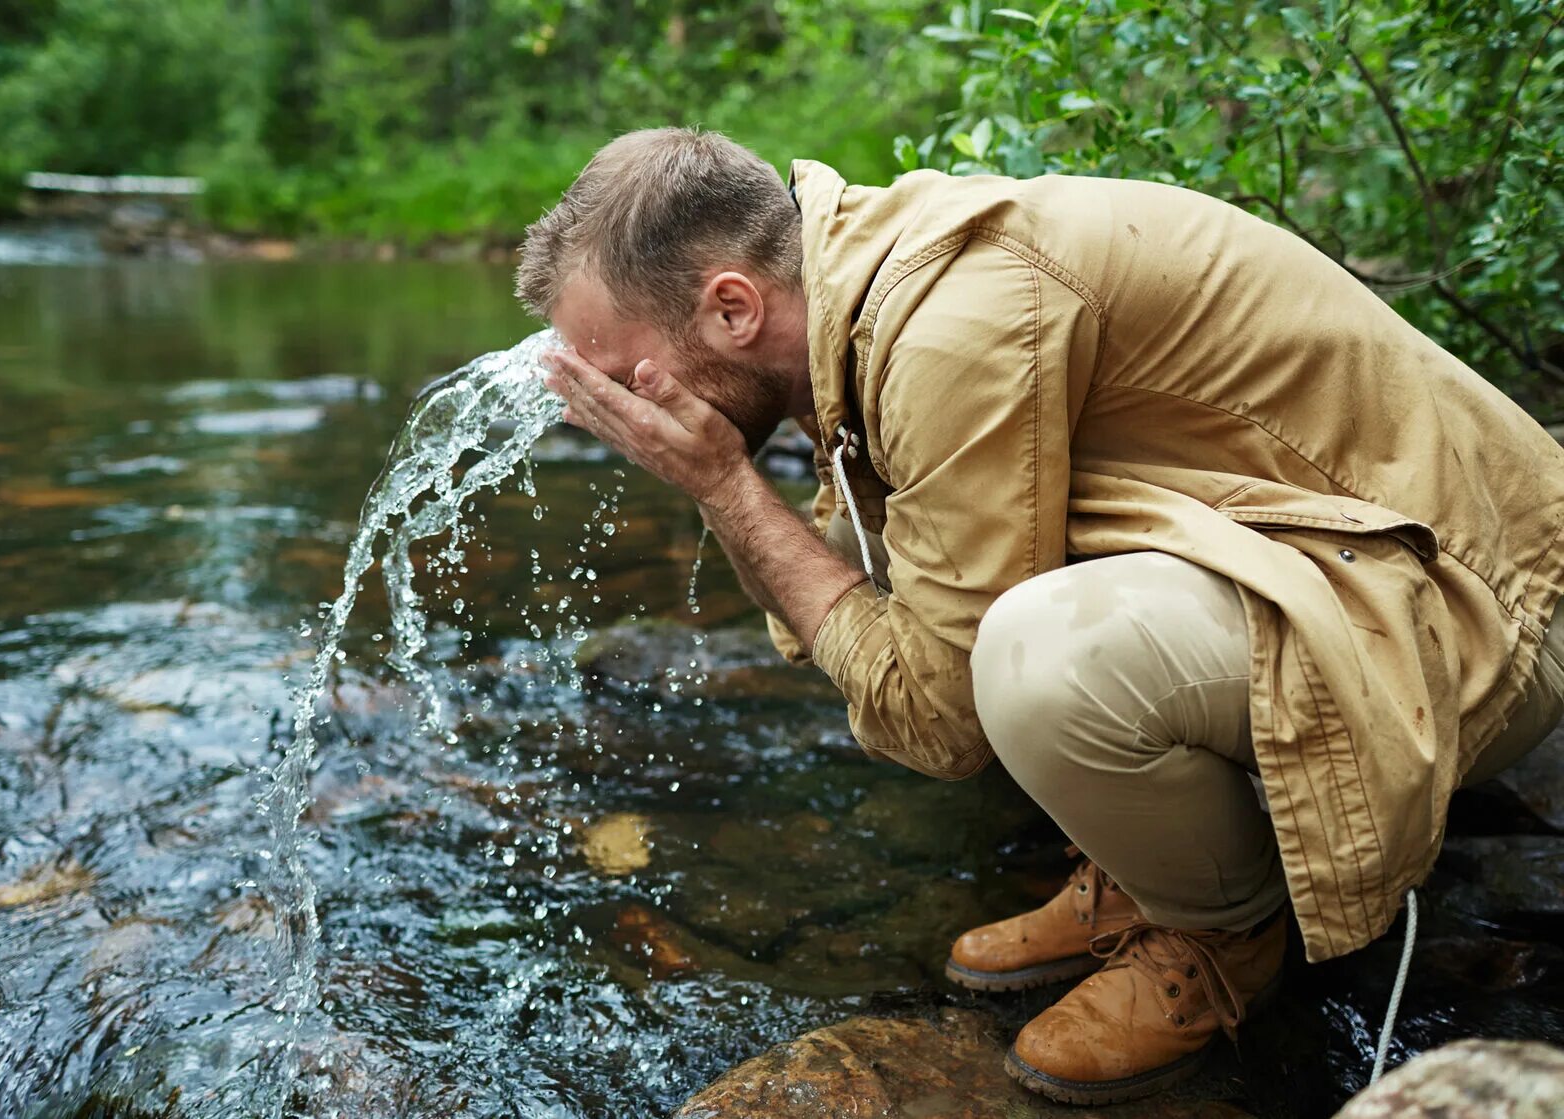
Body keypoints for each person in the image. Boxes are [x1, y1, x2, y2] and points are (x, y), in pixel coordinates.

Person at [521, 127, 1564, 1105]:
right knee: (943, 599)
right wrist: (741, 493)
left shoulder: (951, 328)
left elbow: (942, 717)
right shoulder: (872, 287)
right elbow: (864, 580)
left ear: (735, 309)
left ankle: (1219, 933)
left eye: (624, 379)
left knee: (1034, 660)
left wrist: (723, 486)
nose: (623, 415)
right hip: (1347, 558)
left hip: (1483, 614)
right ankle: (1155, 862)